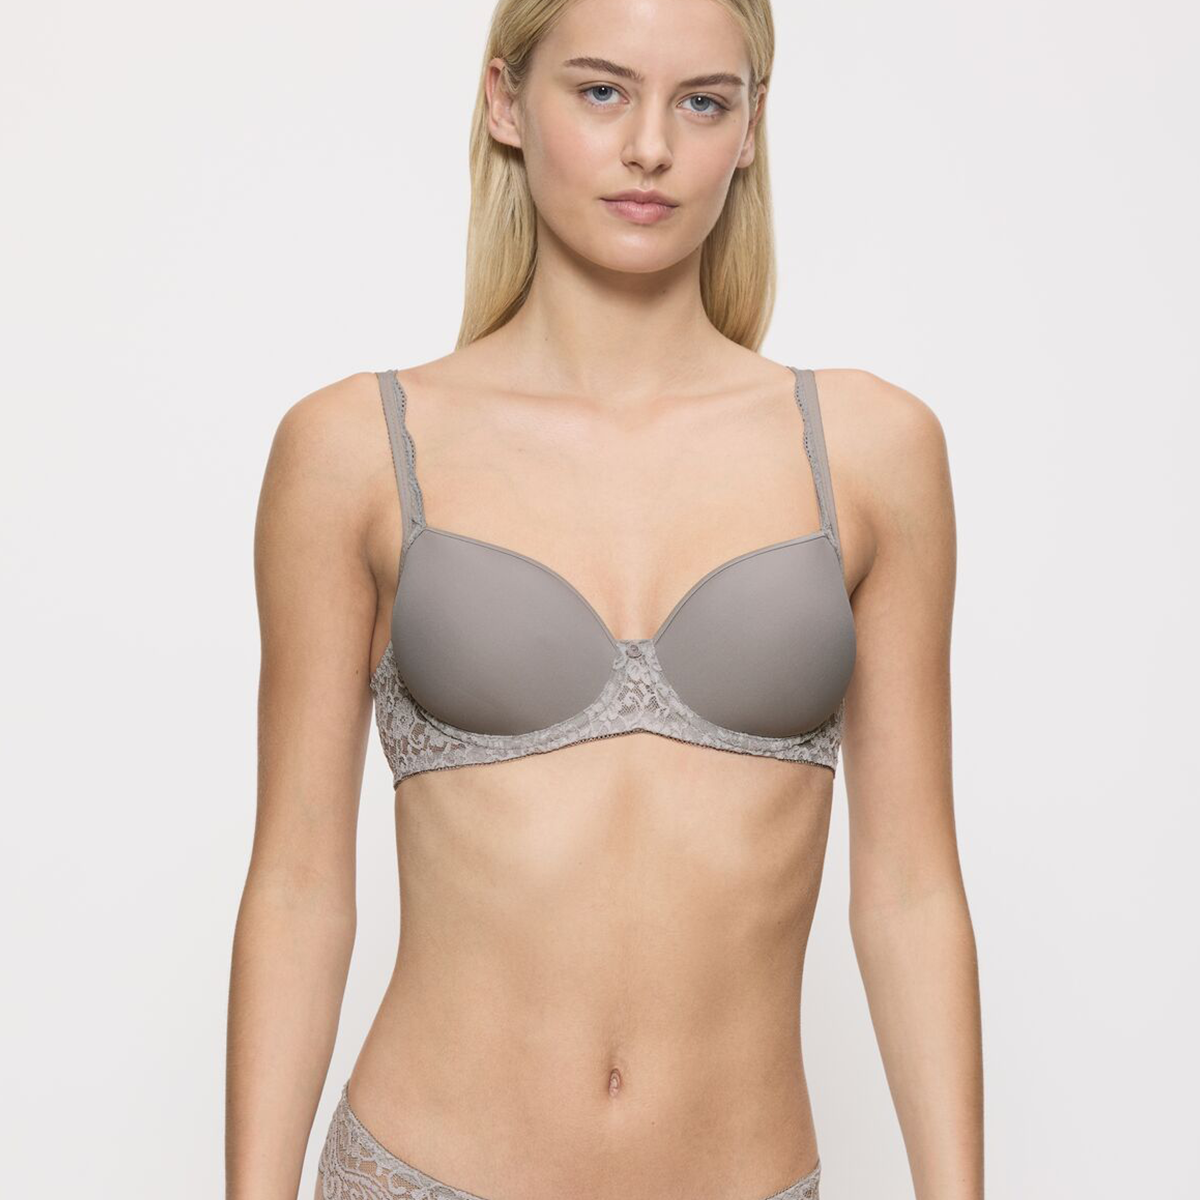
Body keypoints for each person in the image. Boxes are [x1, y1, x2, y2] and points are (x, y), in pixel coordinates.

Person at [227, 1, 982, 1198]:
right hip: (420, 1172)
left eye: (702, 101)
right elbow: (299, 885)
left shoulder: (872, 452)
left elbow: (911, 890)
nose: (650, 148)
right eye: (600, 91)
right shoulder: (356, 450)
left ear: (751, 128)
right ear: (504, 102)